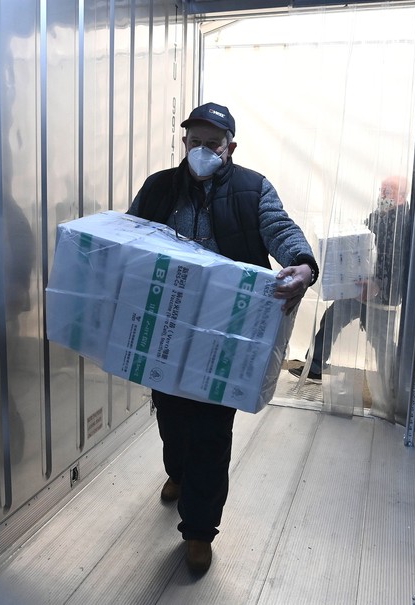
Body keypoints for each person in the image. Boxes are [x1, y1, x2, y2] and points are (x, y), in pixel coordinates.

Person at [128, 102, 318, 573]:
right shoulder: (159, 188)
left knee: (212, 431)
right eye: (195, 141)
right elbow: (129, 236)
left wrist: (303, 263)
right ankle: (177, 471)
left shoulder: (253, 189)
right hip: (168, 333)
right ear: (185, 142)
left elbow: (279, 228)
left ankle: (198, 530)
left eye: (213, 143)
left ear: (230, 146)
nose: (203, 150)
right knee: (171, 417)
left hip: (225, 334)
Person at [289, 175, 409, 382]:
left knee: (380, 340)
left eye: (387, 191)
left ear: (401, 195)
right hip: (356, 288)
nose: (382, 195)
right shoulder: (376, 216)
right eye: (381, 190)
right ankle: (315, 366)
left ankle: (392, 381)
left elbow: (400, 262)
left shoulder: (405, 223)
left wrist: (378, 285)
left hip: (383, 294)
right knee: (332, 320)